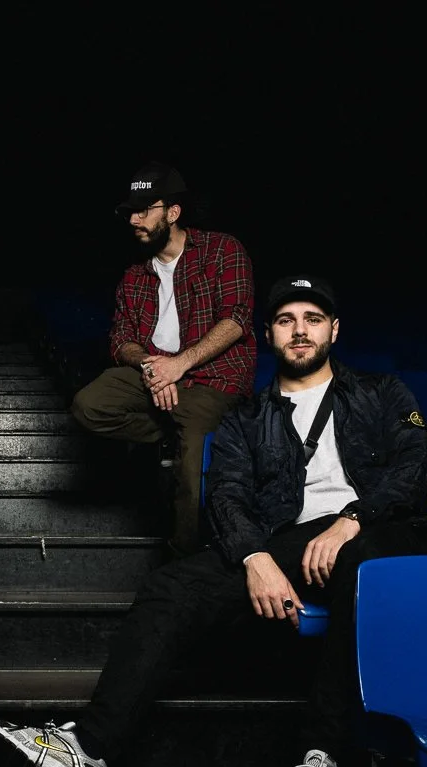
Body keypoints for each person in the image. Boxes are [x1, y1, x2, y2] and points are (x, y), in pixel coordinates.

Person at [0, 276, 427, 767]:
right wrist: (255, 556)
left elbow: (417, 465)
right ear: (269, 335)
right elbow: (226, 493)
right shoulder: (244, 417)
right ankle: (89, 752)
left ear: (334, 330)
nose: (300, 330)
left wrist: (353, 520)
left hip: (379, 533)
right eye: (285, 320)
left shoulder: (382, 392)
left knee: (361, 564)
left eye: (312, 318)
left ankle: (321, 759)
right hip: (290, 542)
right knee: (170, 586)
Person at [69, 161, 256, 556]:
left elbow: (236, 320)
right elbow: (121, 340)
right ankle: (169, 431)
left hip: (211, 379)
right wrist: (151, 365)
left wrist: (179, 365)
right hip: (154, 371)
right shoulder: (134, 275)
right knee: (89, 406)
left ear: (173, 212)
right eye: (129, 213)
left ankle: (182, 558)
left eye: (144, 210)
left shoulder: (222, 249)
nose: (134, 219)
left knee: (192, 464)